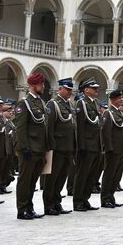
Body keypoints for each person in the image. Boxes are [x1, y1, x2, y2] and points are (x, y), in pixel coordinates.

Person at [14, 72, 50, 220]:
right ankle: (22, 209)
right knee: (24, 180)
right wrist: (24, 147)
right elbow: (20, 128)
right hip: (29, 148)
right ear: (34, 85)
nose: (43, 86)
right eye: (41, 83)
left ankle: (29, 207)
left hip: (39, 148)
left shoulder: (40, 102)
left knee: (32, 181)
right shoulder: (25, 103)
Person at [43, 79, 76, 216]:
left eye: (70, 90)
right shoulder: (53, 104)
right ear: (60, 89)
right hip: (57, 147)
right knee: (52, 178)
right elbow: (49, 127)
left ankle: (57, 202)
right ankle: (49, 205)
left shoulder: (69, 105)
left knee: (62, 177)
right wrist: (50, 147)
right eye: (67, 89)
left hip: (68, 148)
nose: (69, 92)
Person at [73, 79, 102, 212]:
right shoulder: (81, 103)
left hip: (95, 144)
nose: (96, 90)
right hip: (86, 145)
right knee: (82, 174)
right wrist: (81, 146)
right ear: (86, 90)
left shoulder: (95, 103)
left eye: (96, 88)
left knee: (91, 175)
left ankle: (85, 199)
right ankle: (78, 200)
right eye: (93, 88)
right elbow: (80, 126)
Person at [99, 89, 123, 209]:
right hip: (113, 150)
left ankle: (111, 196)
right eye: (119, 98)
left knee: (117, 175)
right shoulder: (108, 113)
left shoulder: (120, 113)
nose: (121, 100)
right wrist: (109, 148)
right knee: (109, 174)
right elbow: (106, 133)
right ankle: (105, 199)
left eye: (121, 98)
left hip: (121, 149)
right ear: (113, 100)